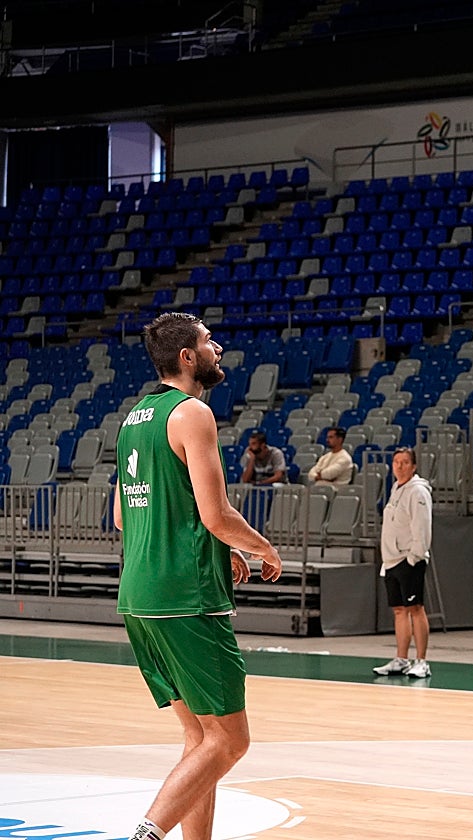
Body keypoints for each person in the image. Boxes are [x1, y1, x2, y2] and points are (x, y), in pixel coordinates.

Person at [113, 312, 283, 840]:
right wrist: (262, 548)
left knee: (201, 739)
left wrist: (212, 546)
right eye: (209, 342)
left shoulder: (133, 418)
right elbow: (216, 514)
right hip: (186, 597)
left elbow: (122, 516)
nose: (218, 348)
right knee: (231, 741)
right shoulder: (192, 414)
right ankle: (145, 835)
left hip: (140, 595)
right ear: (188, 357)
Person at [372, 446, 434, 679]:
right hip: (391, 560)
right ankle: (401, 659)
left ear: (414, 466)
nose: (399, 466)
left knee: (415, 608)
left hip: (409, 559)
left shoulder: (417, 492)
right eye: (396, 462)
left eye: (405, 462)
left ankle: (422, 661)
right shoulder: (396, 489)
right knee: (399, 610)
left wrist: (414, 557)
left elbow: (421, 526)